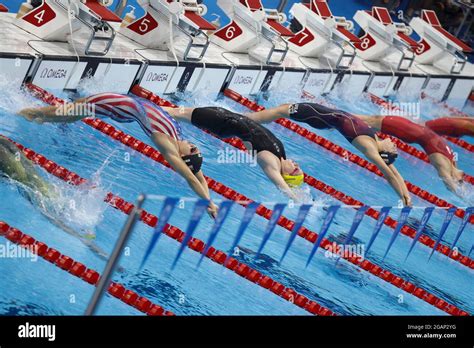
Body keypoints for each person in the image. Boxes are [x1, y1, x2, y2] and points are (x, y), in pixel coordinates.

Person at [17, 93, 218, 218]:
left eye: (192, 151)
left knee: (70, 112)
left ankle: (30, 112)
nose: (194, 146)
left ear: (184, 156)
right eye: (197, 148)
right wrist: (209, 201)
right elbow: (196, 174)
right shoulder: (172, 140)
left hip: (117, 104)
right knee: (68, 113)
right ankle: (27, 112)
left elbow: (192, 176)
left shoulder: (169, 141)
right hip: (118, 104)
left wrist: (208, 202)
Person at [246, 102, 412, 206]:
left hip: (319, 117)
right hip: (327, 115)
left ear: (384, 152)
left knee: (281, 110)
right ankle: (245, 118)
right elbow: (395, 172)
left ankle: (240, 117)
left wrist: (403, 199)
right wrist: (407, 196)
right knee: (280, 110)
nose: (395, 146)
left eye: (393, 151)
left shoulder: (369, 147)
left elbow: (388, 175)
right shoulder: (375, 139)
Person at [0, 136, 109, 259]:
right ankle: (95, 245)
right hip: (53, 191)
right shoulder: (3, 142)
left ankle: (99, 252)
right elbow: (14, 150)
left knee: (66, 227)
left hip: (41, 199)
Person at [166, 106, 305, 201]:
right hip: (227, 117)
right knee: (177, 112)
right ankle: (148, 109)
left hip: (223, 122)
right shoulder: (281, 156)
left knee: (176, 113)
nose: (296, 164)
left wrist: (295, 198)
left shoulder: (270, 163)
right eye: (298, 168)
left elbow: (281, 184)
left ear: (286, 175)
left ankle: (146, 109)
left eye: (295, 170)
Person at [355, 115, 465, 195]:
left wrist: (458, 193)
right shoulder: (452, 161)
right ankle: (341, 117)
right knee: (372, 120)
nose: (463, 177)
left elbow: (448, 183)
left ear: (454, 178)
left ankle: (340, 116)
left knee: (371, 120)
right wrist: (463, 190)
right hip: (411, 127)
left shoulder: (443, 163)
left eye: (460, 180)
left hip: (407, 131)